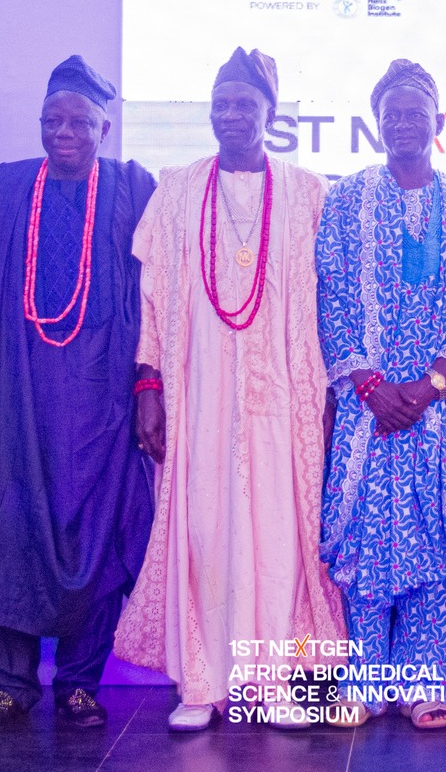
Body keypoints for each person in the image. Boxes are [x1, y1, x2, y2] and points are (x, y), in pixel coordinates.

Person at [115, 49, 347, 733]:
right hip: (200, 394)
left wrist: (329, 392)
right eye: (221, 104)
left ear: (271, 114)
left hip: (285, 393)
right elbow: (151, 297)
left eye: (245, 103)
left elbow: (331, 302)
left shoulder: (309, 193)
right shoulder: (177, 189)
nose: (231, 115)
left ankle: (273, 682)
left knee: (279, 538)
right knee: (204, 528)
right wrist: (149, 383)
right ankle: (201, 681)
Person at [0, 55, 156, 733]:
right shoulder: (3, 189)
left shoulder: (134, 188)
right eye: (51, 120)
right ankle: (11, 686)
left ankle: (78, 684)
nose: (63, 132)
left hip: (103, 401)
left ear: (105, 127)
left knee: (97, 540)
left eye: (78, 121)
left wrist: (148, 383)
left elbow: (156, 295)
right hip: (18, 398)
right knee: (9, 536)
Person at [316, 58, 446, 731]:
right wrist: (370, 384)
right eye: (391, 114)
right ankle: (364, 682)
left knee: (431, 539)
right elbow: (331, 298)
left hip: (438, 408)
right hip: (366, 408)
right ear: (376, 122)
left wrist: (428, 387)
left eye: (415, 114)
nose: (403, 124)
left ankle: (424, 681)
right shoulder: (345, 200)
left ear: (436, 121)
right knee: (365, 541)